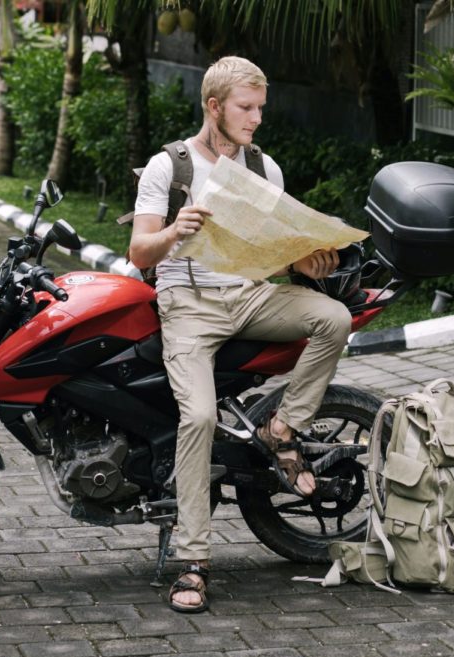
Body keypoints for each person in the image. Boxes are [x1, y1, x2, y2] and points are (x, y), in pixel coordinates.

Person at [130, 56, 352, 613]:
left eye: (259, 109)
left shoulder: (262, 167)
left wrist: (311, 263)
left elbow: (281, 250)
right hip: (189, 305)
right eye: (245, 109)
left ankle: (284, 427)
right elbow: (138, 251)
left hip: (251, 294)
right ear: (214, 107)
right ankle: (193, 562)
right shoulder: (170, 167)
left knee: (334, 318)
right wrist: (174, 232)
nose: (256, 119)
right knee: (200, 416)